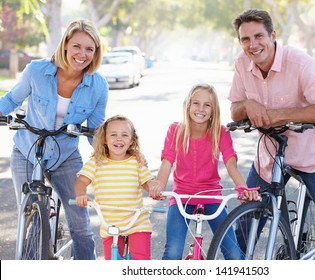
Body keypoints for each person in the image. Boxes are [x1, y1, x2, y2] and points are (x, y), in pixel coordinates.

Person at [228, 8, 315, 260]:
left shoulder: (299, 62)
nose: (252, 45)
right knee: (244, 229)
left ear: (273, 35)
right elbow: (234, 110)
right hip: (270, 156)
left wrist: (281, 115)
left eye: (258, 36)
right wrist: (248, 106)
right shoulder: (242, 64)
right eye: (245, 39)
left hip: (310, 155)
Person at [0, 19, 108, 260]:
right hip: (27, 151)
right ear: (65, 45)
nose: (82, 54)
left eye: (89, 49)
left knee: (80, 227)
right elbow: (10, 100)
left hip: (65, 156)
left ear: (96, 52)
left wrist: (110, 154)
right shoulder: (36, 70)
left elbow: (96, 128)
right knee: (29, 218)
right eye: (77, 46)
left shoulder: (98, 85)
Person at [149, 83, 258, 260]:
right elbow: (167, 161)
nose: (201, 109)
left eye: (207, 105)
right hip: (182, 197)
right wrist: (159, 185)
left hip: (211, 196)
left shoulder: (220, 132)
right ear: (188, 105)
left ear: (213, 110)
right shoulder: (175, 130)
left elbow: (231, 164)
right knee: (173, 251)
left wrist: (242, 188)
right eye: (196, 103)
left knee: (233, 254)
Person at [74, 115, 160, 260]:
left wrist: (153, 187)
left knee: (141, 261)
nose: (119, 139)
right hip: (110, 224)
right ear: (105, 139)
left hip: (137, 222)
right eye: (113, 135)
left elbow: (147, 181)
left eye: (124, 135)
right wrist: (81, 194)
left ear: (132, 140)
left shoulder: (136, 161)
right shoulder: (97, 162)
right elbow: (81, 182)